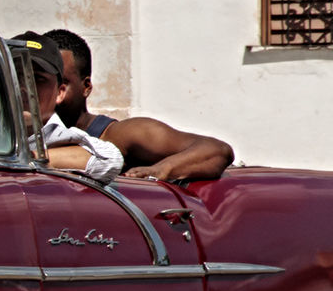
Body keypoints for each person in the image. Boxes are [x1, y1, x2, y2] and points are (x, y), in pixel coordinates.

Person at [43, 26, 236, 183]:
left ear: (86, 87)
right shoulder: (20, 138)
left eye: (61, 83)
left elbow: (217, 150)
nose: (47, 92)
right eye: (37, 81)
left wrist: (162, 169)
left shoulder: (120, 135)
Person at [10, 34, 123, 181]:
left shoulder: (62, 137)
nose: (24, 87)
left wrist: (33, 157)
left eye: (38, 79)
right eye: (15, 76)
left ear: (59, 92)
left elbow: (110, 159)